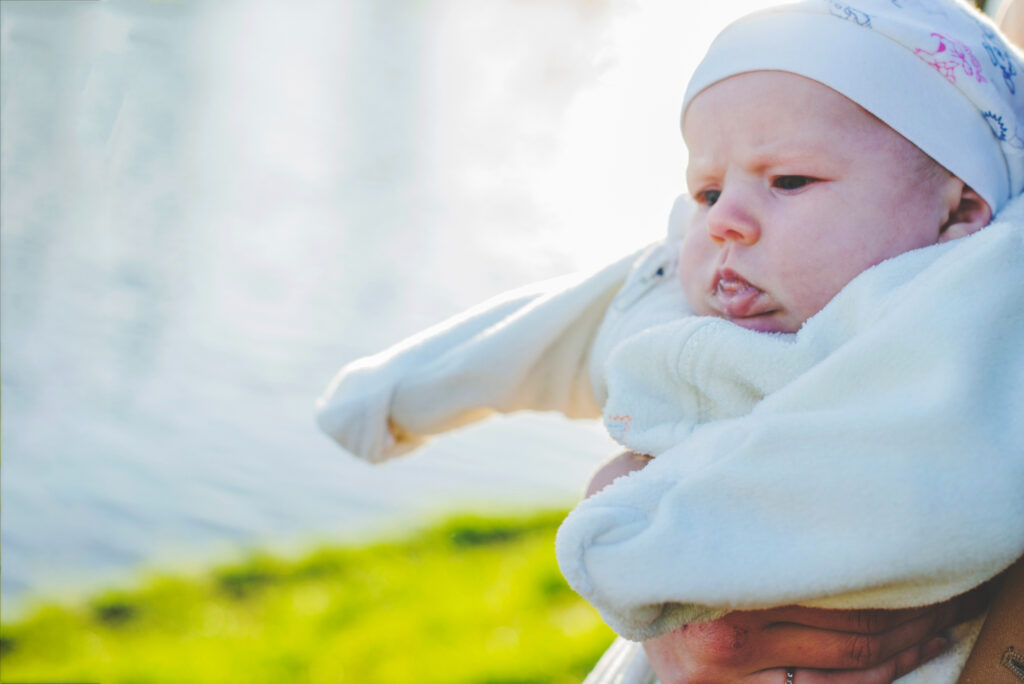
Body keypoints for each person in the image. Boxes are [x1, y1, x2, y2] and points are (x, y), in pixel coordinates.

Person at [315, 0, 1024, 681]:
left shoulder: (967, 313)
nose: (725, 221)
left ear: (958, 209)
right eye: (708, 190)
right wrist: (394, 397)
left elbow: (917, 476)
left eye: (791, 180)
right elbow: (556, 331)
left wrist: (635, 540)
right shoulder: (685, 286)